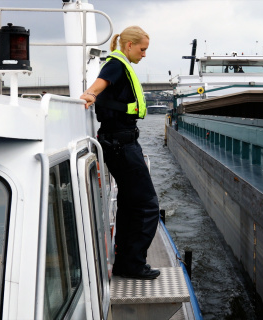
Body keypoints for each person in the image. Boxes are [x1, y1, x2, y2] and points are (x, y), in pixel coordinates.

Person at [80, 26, 160, 280]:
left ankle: (127, 262)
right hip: (121, 146)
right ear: (128, 46)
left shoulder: (122, 65)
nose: (144, 54)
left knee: (128, 204)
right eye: (142, 49)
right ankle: (133, 264)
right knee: (147, 206)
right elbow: (101, 82)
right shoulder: (116, 64)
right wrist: (90, 93)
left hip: (119, 143)